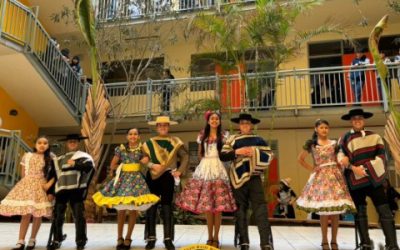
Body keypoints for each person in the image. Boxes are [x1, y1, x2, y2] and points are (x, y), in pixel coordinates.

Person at [338, 108, 399, 250]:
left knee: (385, 211)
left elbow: (382, 157)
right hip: (355, 181)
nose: (357, 121)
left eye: (359, 118)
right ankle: (365, 243)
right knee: (360, 213)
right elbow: (341, 157)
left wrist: (363, 169)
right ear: (351, 121)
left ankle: (392, 245)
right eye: (354, 119)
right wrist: (351, 166)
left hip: (373, 181)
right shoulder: (345, 138)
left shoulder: (375, 136)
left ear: (363, 120)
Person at [175, 111, 236, 248]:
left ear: (219, 121)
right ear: (208, 121)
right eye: (212, 119)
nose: (214, 121)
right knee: (208, 206)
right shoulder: (202, 135)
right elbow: (200, 153)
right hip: (205, 168)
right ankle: (209, 237)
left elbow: (227, 152)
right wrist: (202, 167)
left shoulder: (225, 135)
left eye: (217, 119)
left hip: (218, 168)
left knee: (218, 207)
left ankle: (216, 238)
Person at [93, 128, 159, 250]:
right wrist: (123, 166)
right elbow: (113, 165)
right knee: (121, 210)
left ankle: (128, 238)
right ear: (127, 136)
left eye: (135, 134)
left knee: (133, 210)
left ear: (138, 136)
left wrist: (145, 160)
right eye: (130, 134)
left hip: (136, 181)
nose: (133, 136)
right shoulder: (121, 149)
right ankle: (119, 237)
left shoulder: (142, 149)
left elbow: (146, 161)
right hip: (123, 180)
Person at [297, 119, 355, 250]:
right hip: (321, 179)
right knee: (323, 211)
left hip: (335, 178)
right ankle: (324, 240)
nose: (324, 130)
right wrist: (312, 168)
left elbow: (340, 159)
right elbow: (300, 159)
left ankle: (334, 240)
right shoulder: (311, 144)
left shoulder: (335, 144)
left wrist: (342, 162)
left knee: (335, 211)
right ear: (316, 129)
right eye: (322, 127)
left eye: (326, 128)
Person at [219, 113, 274, 250]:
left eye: (247, 123)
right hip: (237, 178)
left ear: (251, 125)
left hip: (255, 177)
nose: (245, 125)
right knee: (240, 210)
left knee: (260, 208)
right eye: (242, 123)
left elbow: (269, 156)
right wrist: (238, 151)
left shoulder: (259, 140)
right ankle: (243, 241)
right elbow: (223, 156)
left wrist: (254, 152)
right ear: (239, 125)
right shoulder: (232, 139)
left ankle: (265, 242)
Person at [142, 116, 189, 250]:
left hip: (168, 176)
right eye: (160, 125)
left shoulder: (175, 141)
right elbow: (143, 159)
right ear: (156, 127)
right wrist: (152, 165)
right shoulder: (148, 143)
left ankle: (168, 239)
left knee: (167, 206)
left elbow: (185, 156)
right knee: (152, 207)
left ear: (168, 127)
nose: (163, 127)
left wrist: (179, 170)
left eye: (165, 125)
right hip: (152, 176)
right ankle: (151, 238)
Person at [0, 136, 54, 250]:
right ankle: (20, 241)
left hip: (41, 186)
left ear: (48, 146)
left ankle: (32, 239)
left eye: (45, 143)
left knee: (37, 215)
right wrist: (23, 187)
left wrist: (49, 187)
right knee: (25, 214)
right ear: (35, 144)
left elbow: (56, 174)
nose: (42, 145)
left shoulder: (51, 158)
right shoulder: (27, 156)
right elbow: (24, 174)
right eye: (39, 142)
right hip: (27, 186)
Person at [47, 134, 95, 250]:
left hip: (77, 190)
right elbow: (52, 175)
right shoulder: (58, 159)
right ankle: (57, 239)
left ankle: (80, 241)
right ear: (67, 144)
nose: (72, 143)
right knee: (58, 216)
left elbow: (89, 168)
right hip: (61, 190)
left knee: (79, 216)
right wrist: (50, 192)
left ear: (78, 143)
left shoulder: (83, 156)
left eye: (74, 142)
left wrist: (76, 164)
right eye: (70, 142)